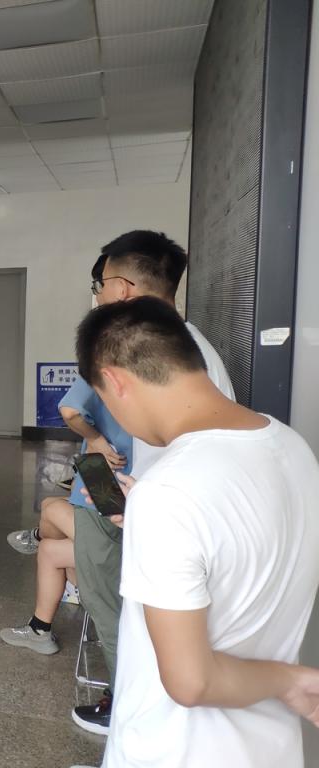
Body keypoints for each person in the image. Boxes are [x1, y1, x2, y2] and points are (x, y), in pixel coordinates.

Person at [74, 297, 319, 768]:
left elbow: (192, 682)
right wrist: (146, 515)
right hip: (271, 750)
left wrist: (291, 681)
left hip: (173, 752)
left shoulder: (168, 494)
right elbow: (234, 542)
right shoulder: (293, 447)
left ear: (115, 382)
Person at [70, 230, 235, 735]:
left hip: (152, 516)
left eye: (100, 284)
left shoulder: (147, 354)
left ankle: (127, 710)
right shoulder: (192, 345)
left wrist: (125, 501)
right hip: (140, 500)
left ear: (122, 288)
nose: (97, 295)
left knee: (121, 613)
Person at [1, 374, 131, 655]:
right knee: (50, 528)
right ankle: (40, 628)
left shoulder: (105, 364)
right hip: (115, 484)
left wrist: (94, 438)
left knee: (51, 513)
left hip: (119, 512)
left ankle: (44, 547)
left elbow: (69, 411)